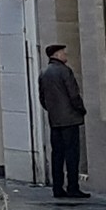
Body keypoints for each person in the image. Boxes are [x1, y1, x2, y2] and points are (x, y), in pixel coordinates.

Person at [39, 43, 90, 199]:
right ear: (57, 55)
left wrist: (53, 111)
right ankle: (73, 187)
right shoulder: (64, 71)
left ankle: (57, 187)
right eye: (63, 53)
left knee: (57, 155)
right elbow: (73, 94)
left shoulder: (44, 73)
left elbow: (42, 98)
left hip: (55, 120)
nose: (65, 56)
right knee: (72, 155)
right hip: (69, 119)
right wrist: (81, 109)